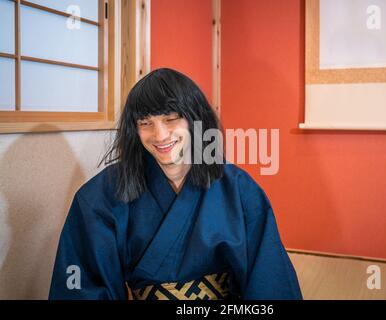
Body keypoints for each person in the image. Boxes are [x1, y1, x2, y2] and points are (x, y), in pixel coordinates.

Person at [48, 68, 302, 300]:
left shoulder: (238, 189)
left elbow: (270, 278)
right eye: (145, 123)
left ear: (195, 120)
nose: (159, 135)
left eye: (170, 119)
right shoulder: (102, 196)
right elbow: (83, 286)